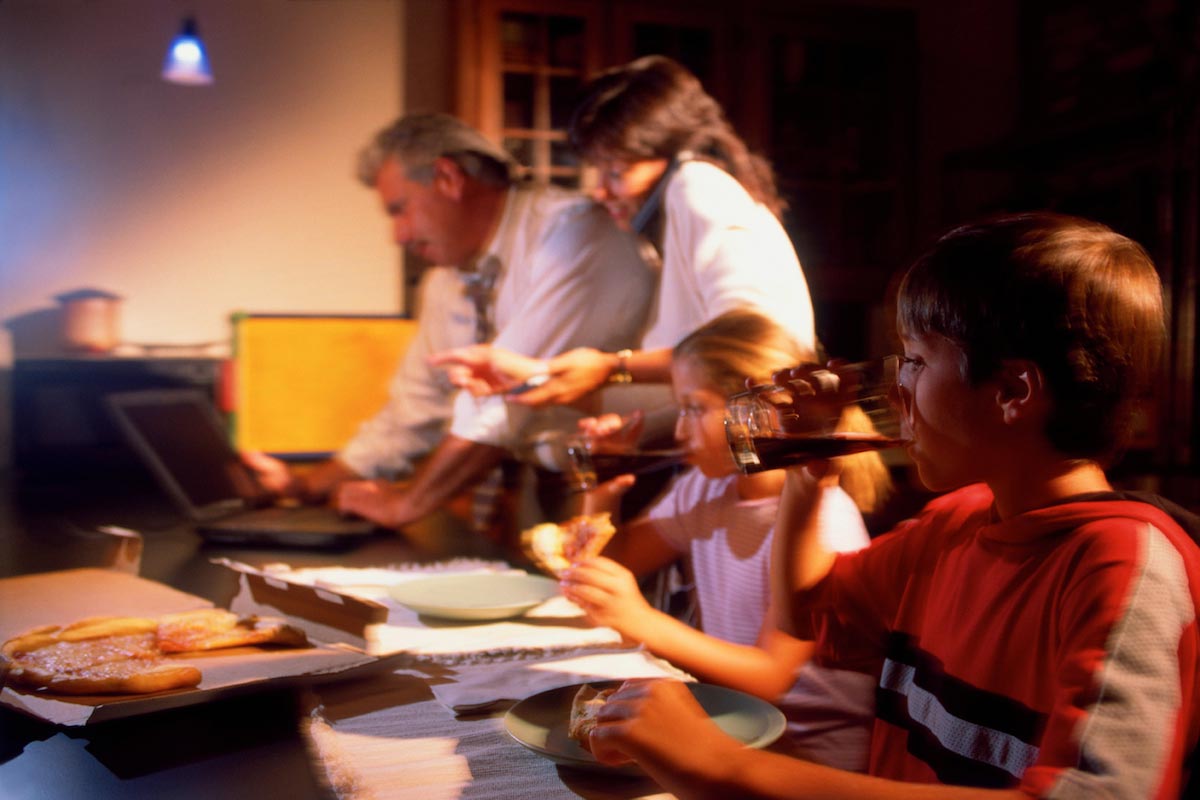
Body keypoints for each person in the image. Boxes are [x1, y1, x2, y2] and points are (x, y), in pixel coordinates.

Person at [582, 212, 1200, 799]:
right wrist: (807, 471)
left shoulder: (1125, 563)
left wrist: (723, 767)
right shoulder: (956, 523)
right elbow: (807, 614)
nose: (898, 385)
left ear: (1012, 390)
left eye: (917, 360)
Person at [248, 113, 655, 531]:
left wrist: (406, 505)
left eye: (399, 209)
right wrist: (304, 487)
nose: (398, 236)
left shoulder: (572, 232)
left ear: (448, 178)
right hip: (530, 494)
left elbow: (505, 400)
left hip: (619, 490)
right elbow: (413, 409)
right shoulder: (446, 276)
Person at [561, 308, 891, 771]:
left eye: (694, 408)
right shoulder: (708, 488)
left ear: (758, 408)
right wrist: (602, 488)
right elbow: (611, 563)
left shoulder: (822, 518)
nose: (679, 430)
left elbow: (771, 677)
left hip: (803, 761)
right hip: (732, 728)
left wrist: (642, 621)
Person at [431, 55, 815, 420]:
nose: (600, 192)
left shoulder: (696, 185)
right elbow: (699, 375)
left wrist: (612, 367)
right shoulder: (682, 207)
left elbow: (752, 347)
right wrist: (539, 375)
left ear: (671, 154)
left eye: (616, 172)